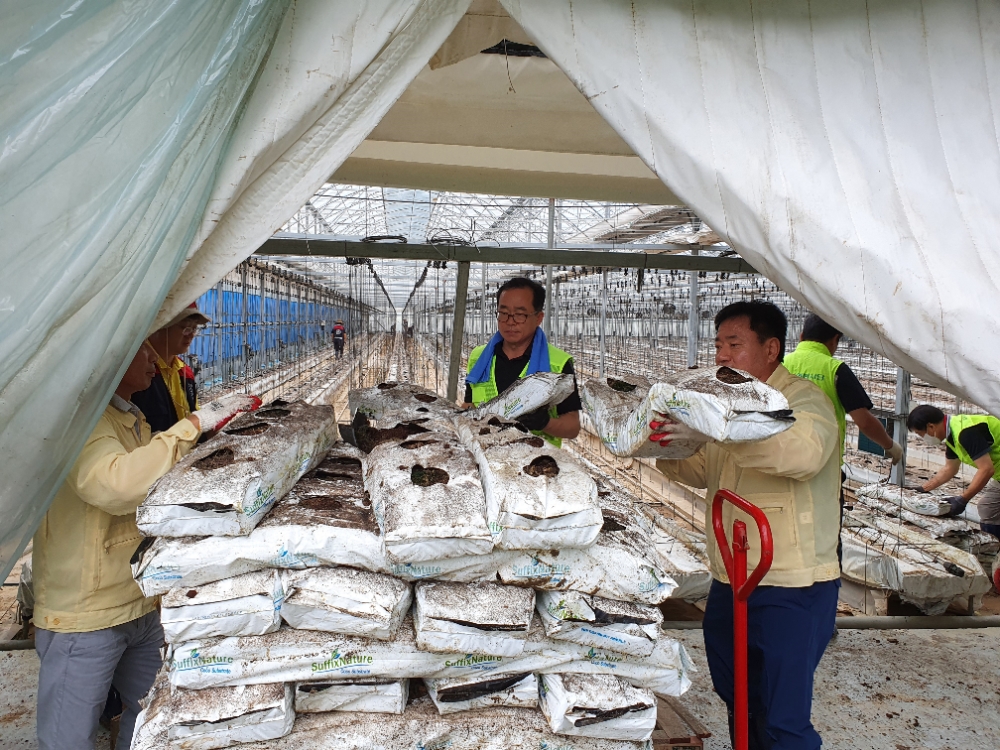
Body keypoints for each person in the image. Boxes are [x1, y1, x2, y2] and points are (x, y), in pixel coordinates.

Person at [32, 341, 260, 750]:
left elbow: (153, 464)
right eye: (143, 351)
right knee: (68, 737)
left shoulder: (127, 416)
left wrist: (204, 438)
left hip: (137, 599)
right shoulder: (83, 420)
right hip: (87, 614)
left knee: (155, 715)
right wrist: (190, 425)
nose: (156, 361)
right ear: (113, 360)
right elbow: (117, 484)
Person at [651, 300, 840, 750]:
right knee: (737, 692)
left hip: (790, 583)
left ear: (771, 348)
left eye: (734, 344)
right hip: (731, 576)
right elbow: (702, 472)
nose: (721, 355)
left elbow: (802, 455)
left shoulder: (804, 400)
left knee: (782, 712)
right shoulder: (726, 400)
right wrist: (666, 442)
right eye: (718, 345)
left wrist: (719, 431)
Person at [463, 277, 581, 446]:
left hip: (535, 465)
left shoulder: (558, 364)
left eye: (520, 315)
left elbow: (572, 427)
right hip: (486, 456)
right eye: (503, 313)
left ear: (538, 317)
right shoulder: (478, 357)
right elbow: (469, 404)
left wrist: (545, 423)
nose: (510, 322)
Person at [784, 314, 904, 466]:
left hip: (783, 458)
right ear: (835, 340)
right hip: (823, 464)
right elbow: (864, 421)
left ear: (801, 336)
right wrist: (890, 446)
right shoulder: (835, 369)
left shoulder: (780, 364)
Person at [907, 404, 1000, 538]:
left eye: (921, 434)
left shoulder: (965, 433)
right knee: (988, 508)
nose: (923, 439)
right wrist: (923, 489)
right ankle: (994, 549)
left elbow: (986, 469)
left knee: (988, 508)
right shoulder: (953, 436)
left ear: (931, 427)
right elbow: (950, 469)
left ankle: (992, 548)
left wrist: (963, 499)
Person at [132, 302, 208, 432]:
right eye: (185, 328)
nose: (191, 335)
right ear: (160, 325)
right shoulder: (137, 374)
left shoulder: (185, 372)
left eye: (194, 329)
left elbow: (192, 417)